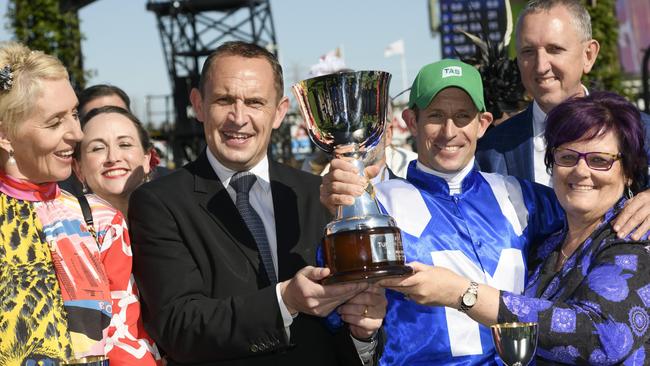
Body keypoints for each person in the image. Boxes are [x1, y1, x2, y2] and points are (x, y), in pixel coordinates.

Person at [128, 41, 386, 365]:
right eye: (224, 100)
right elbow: (179, 325)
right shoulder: (159, 203)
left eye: (254, 102)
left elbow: (349, 327)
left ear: (279, 112)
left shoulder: (317, 195)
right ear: (198, 104)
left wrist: (364, 334)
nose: (239, 117)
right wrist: (285, 300)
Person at [321, 59, 566, 365]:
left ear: (483, 123)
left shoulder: (521, 195)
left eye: (463, 116)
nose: (449, 132)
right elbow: (337, 314)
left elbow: (598, 218)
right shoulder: (378, 205)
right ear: (412, 121)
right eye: (436, 116)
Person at [380, 91, 650, 365]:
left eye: (599, 160)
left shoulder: (636, 240)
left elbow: (602, 338)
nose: (581, 171)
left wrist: (464, 294)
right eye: (567, 157)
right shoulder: (548, 244)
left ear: (628, 172)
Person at [0, 42, 159, 365]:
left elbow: (124, 338)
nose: (77, 133)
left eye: (74, 114)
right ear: (5, 135)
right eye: (55, 121)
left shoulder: (101, 222)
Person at [476, 0, 650, 239]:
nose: (540, 66)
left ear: (588, 55)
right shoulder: (490, 150)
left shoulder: (641, 131)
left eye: (554, 49)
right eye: (528, 51)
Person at [73, 106, 155, 218]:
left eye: (125, 145)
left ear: (146, 159)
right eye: (98, 148)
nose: (112, 158)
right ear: (78, 168)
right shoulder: (61, 229)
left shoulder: (176, 216)